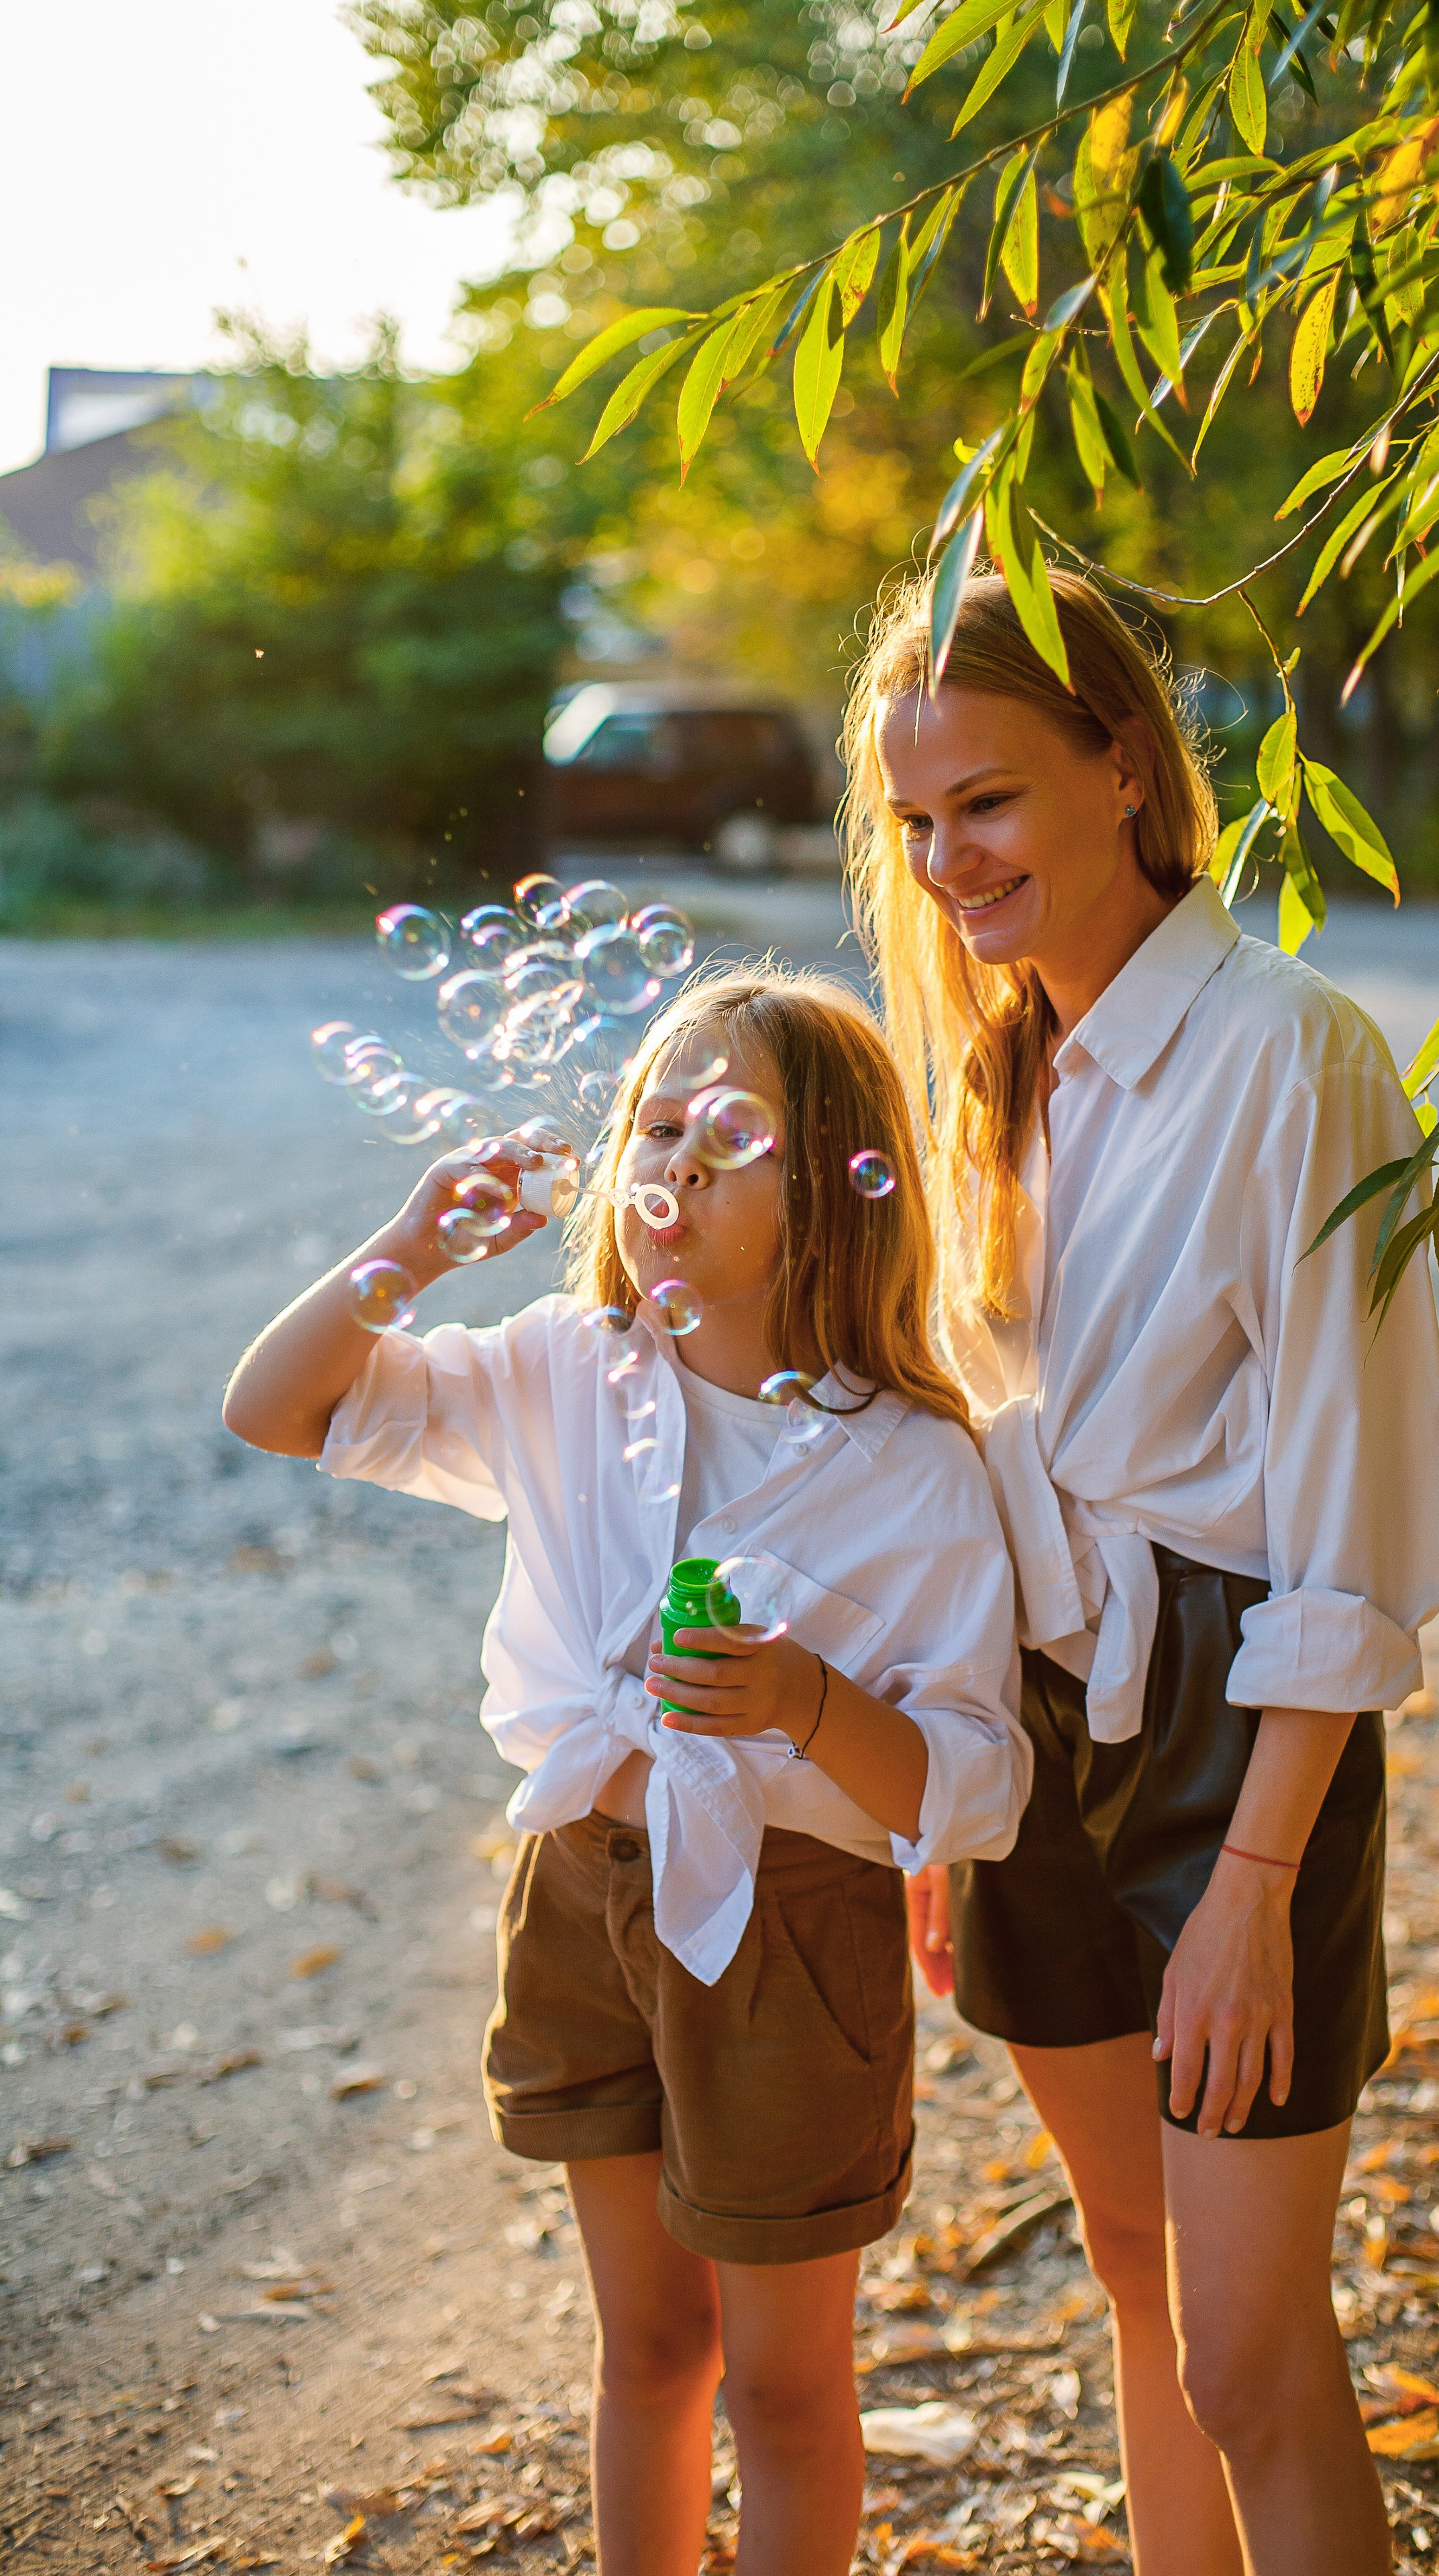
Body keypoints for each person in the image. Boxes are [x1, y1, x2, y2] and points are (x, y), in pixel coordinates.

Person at [221, 966, 1028, 2576]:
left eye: (729, 1139)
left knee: (787, 2391)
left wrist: (802, 1700)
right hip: (581, 1894)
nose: (672, 1164)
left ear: (842, 1197)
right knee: (649, 2355)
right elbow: (275, 1408)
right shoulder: (562, 1371)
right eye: (656, 1127)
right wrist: (409, 1250)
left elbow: (970, 1789)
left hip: (791, 1932)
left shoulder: (915, 1470)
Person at [841, 568, 1439, 2576]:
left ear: (1124, 766)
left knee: (1255, 2360)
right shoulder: (1002, 1069)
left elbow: (1357, 1525)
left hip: (1228, 1734)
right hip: (1030, 1719)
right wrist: (949, 1794)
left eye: (988, 806)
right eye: (918, 826)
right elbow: (981, 1467)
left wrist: (1256, 1884)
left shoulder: (1297, 1055)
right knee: (1130, 2270)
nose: (948, 868)